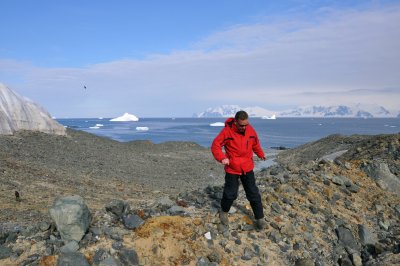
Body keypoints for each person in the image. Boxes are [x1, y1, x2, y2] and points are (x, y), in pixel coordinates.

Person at [211, 110, 267, 230]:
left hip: (247, 167)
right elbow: (215, 145)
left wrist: (260, 154)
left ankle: (260, 218)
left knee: (253, 193)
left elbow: (255, 143)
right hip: (232, 168)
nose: (244, 127)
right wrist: (222, 158)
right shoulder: (227, 131)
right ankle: (224, 211)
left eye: (246, 124)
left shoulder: (250, 130)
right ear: (235, 122)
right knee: (230, 193)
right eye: (241, 125)